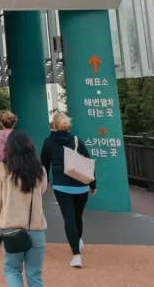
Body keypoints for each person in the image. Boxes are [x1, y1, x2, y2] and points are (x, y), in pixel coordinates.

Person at [0, 130, 48, 287]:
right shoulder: (40, 170)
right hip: (36, 228)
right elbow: (42, 190)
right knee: (34, 274)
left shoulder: (1, 169)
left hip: (11, 229)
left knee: (12, 269)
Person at [40, 112, 96, 268]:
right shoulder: (76, 140)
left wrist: (46, 181)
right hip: (81, 184)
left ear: (54, 125)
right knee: (78, 216)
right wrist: (93, 184)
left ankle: (76, 255)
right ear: (67, 125)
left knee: (69, 218)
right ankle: (77, 240)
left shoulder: (48, 142)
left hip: (61, 185)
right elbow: (88, 162)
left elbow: (44, 164)